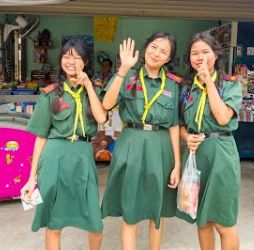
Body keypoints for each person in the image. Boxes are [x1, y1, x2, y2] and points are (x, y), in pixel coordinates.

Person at [21, 38, 107, 250]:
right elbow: (41, 137)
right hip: (54, 157)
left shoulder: (94, 89)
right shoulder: (50, 94)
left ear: (85, 61)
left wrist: (87, 84)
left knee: (94, 221)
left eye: (77, 57)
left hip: (83, 157)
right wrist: (31, 178)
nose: (71, 61)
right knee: (54, 220)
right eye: (67, 56)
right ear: (61, 60)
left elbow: (101, 118)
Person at [101, 33, 181, 250]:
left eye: (163, 51)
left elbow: (174, 125)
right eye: (154, 47)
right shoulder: (127, 76)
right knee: (131, 205)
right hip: (131, 144)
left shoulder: (173, 85)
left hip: (160, 145)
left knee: (158, 208)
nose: (156, 53)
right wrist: (123, 69)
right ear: (146, 48)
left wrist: (177, 165)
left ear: (168, 58)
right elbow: (107, 104)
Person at [178, 33, 242, 250]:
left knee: (224, 222)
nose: (200, 57)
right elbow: (179, 125)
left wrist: (209, 83)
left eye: (206, 52)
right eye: (195, 53)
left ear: (216, 55)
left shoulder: (230, 85)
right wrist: (187, 138)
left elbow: (223, 117)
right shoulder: (186, 88)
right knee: (202, 219)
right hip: (195, 155)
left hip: (221, 154)